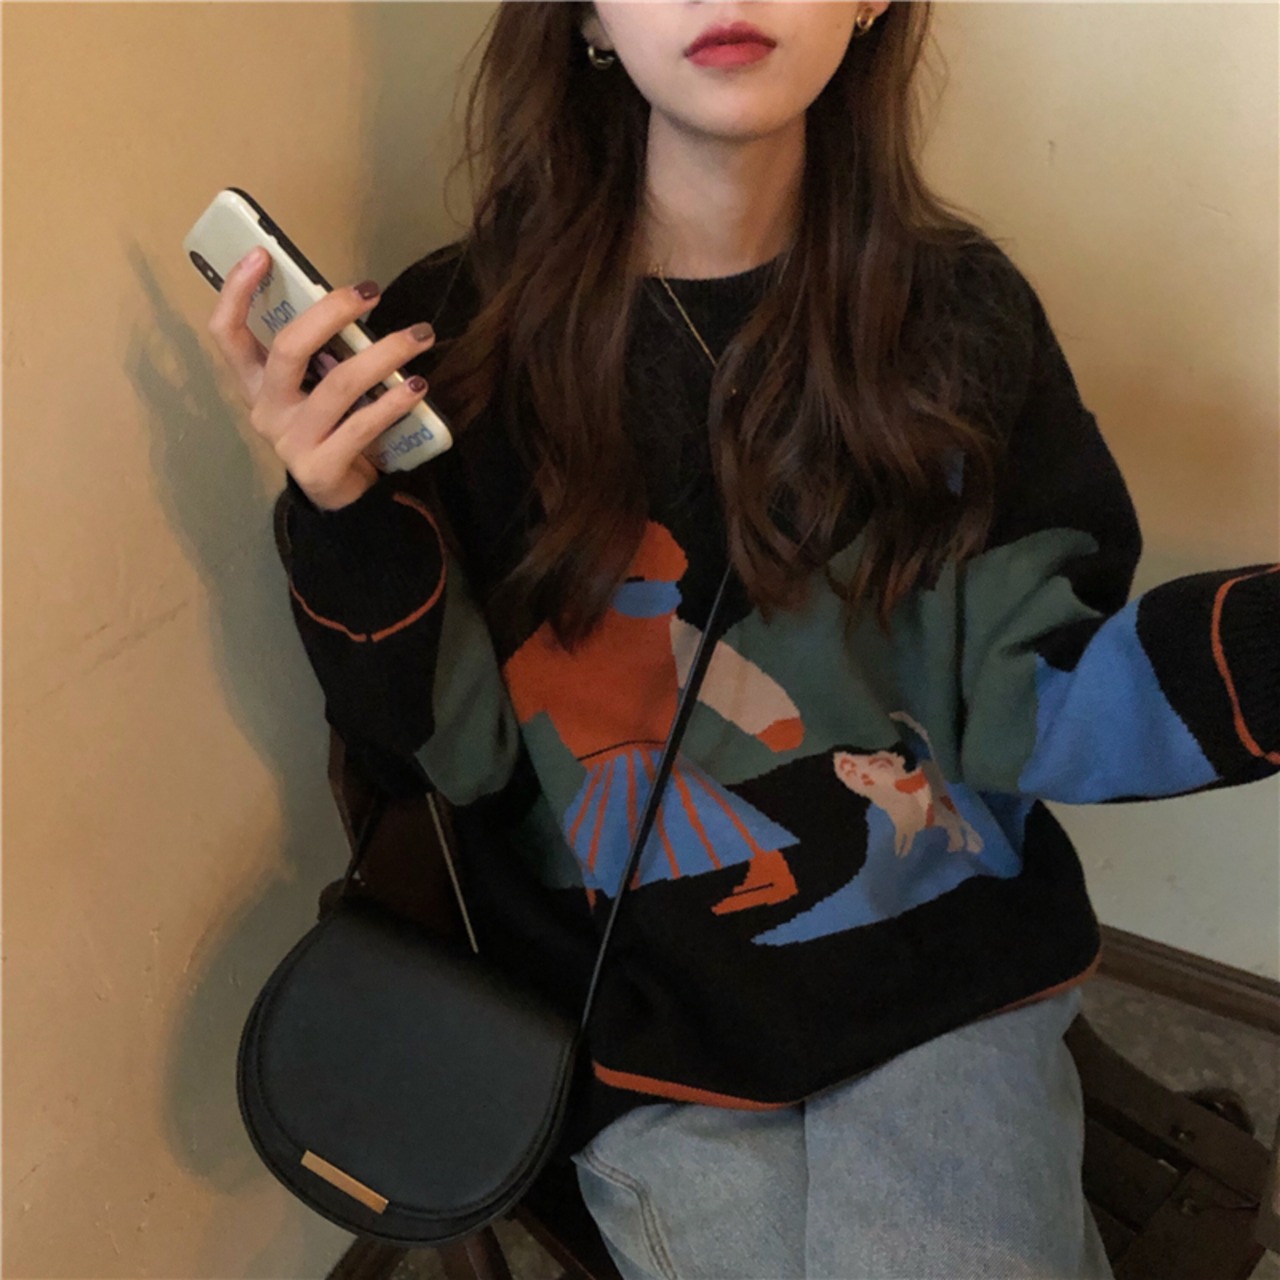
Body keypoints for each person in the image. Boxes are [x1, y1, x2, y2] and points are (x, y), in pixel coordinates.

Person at [205, 4, 1277, 1277]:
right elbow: (449, 752)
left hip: (934, 973)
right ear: (588, 14)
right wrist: (341, 517)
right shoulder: (458, 338)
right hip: (622, 1011)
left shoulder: (961, 316)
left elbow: (1039, 700)